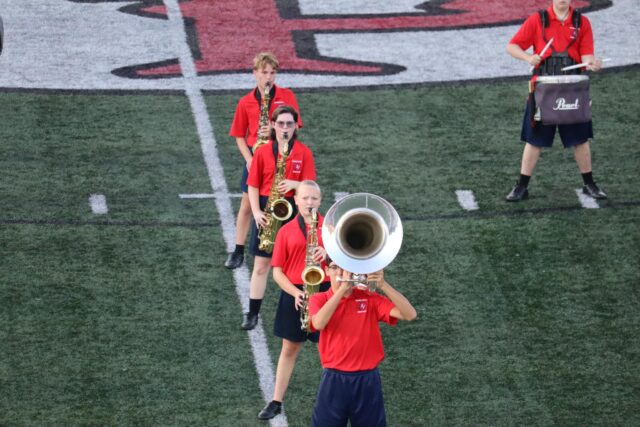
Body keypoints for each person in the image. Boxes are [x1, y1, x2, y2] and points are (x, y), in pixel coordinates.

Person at [505, 0, 606, 202]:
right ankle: (522, 186)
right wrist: (528, 58)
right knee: (534, 140)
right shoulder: (537, 20)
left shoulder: (582, 22)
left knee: (580, 139)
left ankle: (589, 183)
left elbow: (586, 55)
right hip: (543, 89)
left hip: (574, 88)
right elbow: (511, 46)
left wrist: (592, 62)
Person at [308, 262, 417, 427]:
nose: (342, 272)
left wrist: (383, 285)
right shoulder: (319, 299)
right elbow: (318, 323)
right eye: (335, 267)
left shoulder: (369, 298)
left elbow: (410, 314)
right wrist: (342, 291)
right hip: (334, 381)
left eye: (346, 267)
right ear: (326, 271)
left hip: (367, 381)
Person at [257, 180, 331, 420]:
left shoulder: (330, 229)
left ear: (320, 201)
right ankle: (276, 401)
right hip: (296, 293)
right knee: (289, 349)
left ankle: (332, 399)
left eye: (315, 199)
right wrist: (296, 293)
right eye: (305, 198)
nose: (310, 203)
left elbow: (345, 266)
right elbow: (277, 271)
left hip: (325, 292)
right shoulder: (287, 231)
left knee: (329, 349)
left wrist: (329, 255)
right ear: (296, 200)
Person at [242, 105, 316, 330]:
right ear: (273, 125)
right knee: (261, 265)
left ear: (296, 126)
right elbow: (252, 185)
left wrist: (295, 184)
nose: (285, 128)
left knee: (297, 263)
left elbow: (311, 187)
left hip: (293, 209)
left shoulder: (303, 152)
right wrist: (256, 212)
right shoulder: (263, 151)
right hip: (266, 207)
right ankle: (253, 313)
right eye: (281, 124)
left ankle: (304, 309)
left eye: (290, 124)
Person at [226, 52, 303, 269]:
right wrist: (249, 159)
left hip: (282, 154)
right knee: (247, 205)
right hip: (256, 155)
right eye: (264, 72)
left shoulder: (287, 96)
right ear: (255, 73)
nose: (268, 77)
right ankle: (238, 250)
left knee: (285, 202)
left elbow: (297, 126)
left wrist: (275, 128)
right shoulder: (246, 102)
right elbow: (239, 135)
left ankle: (288, 250)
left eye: (272, 72)